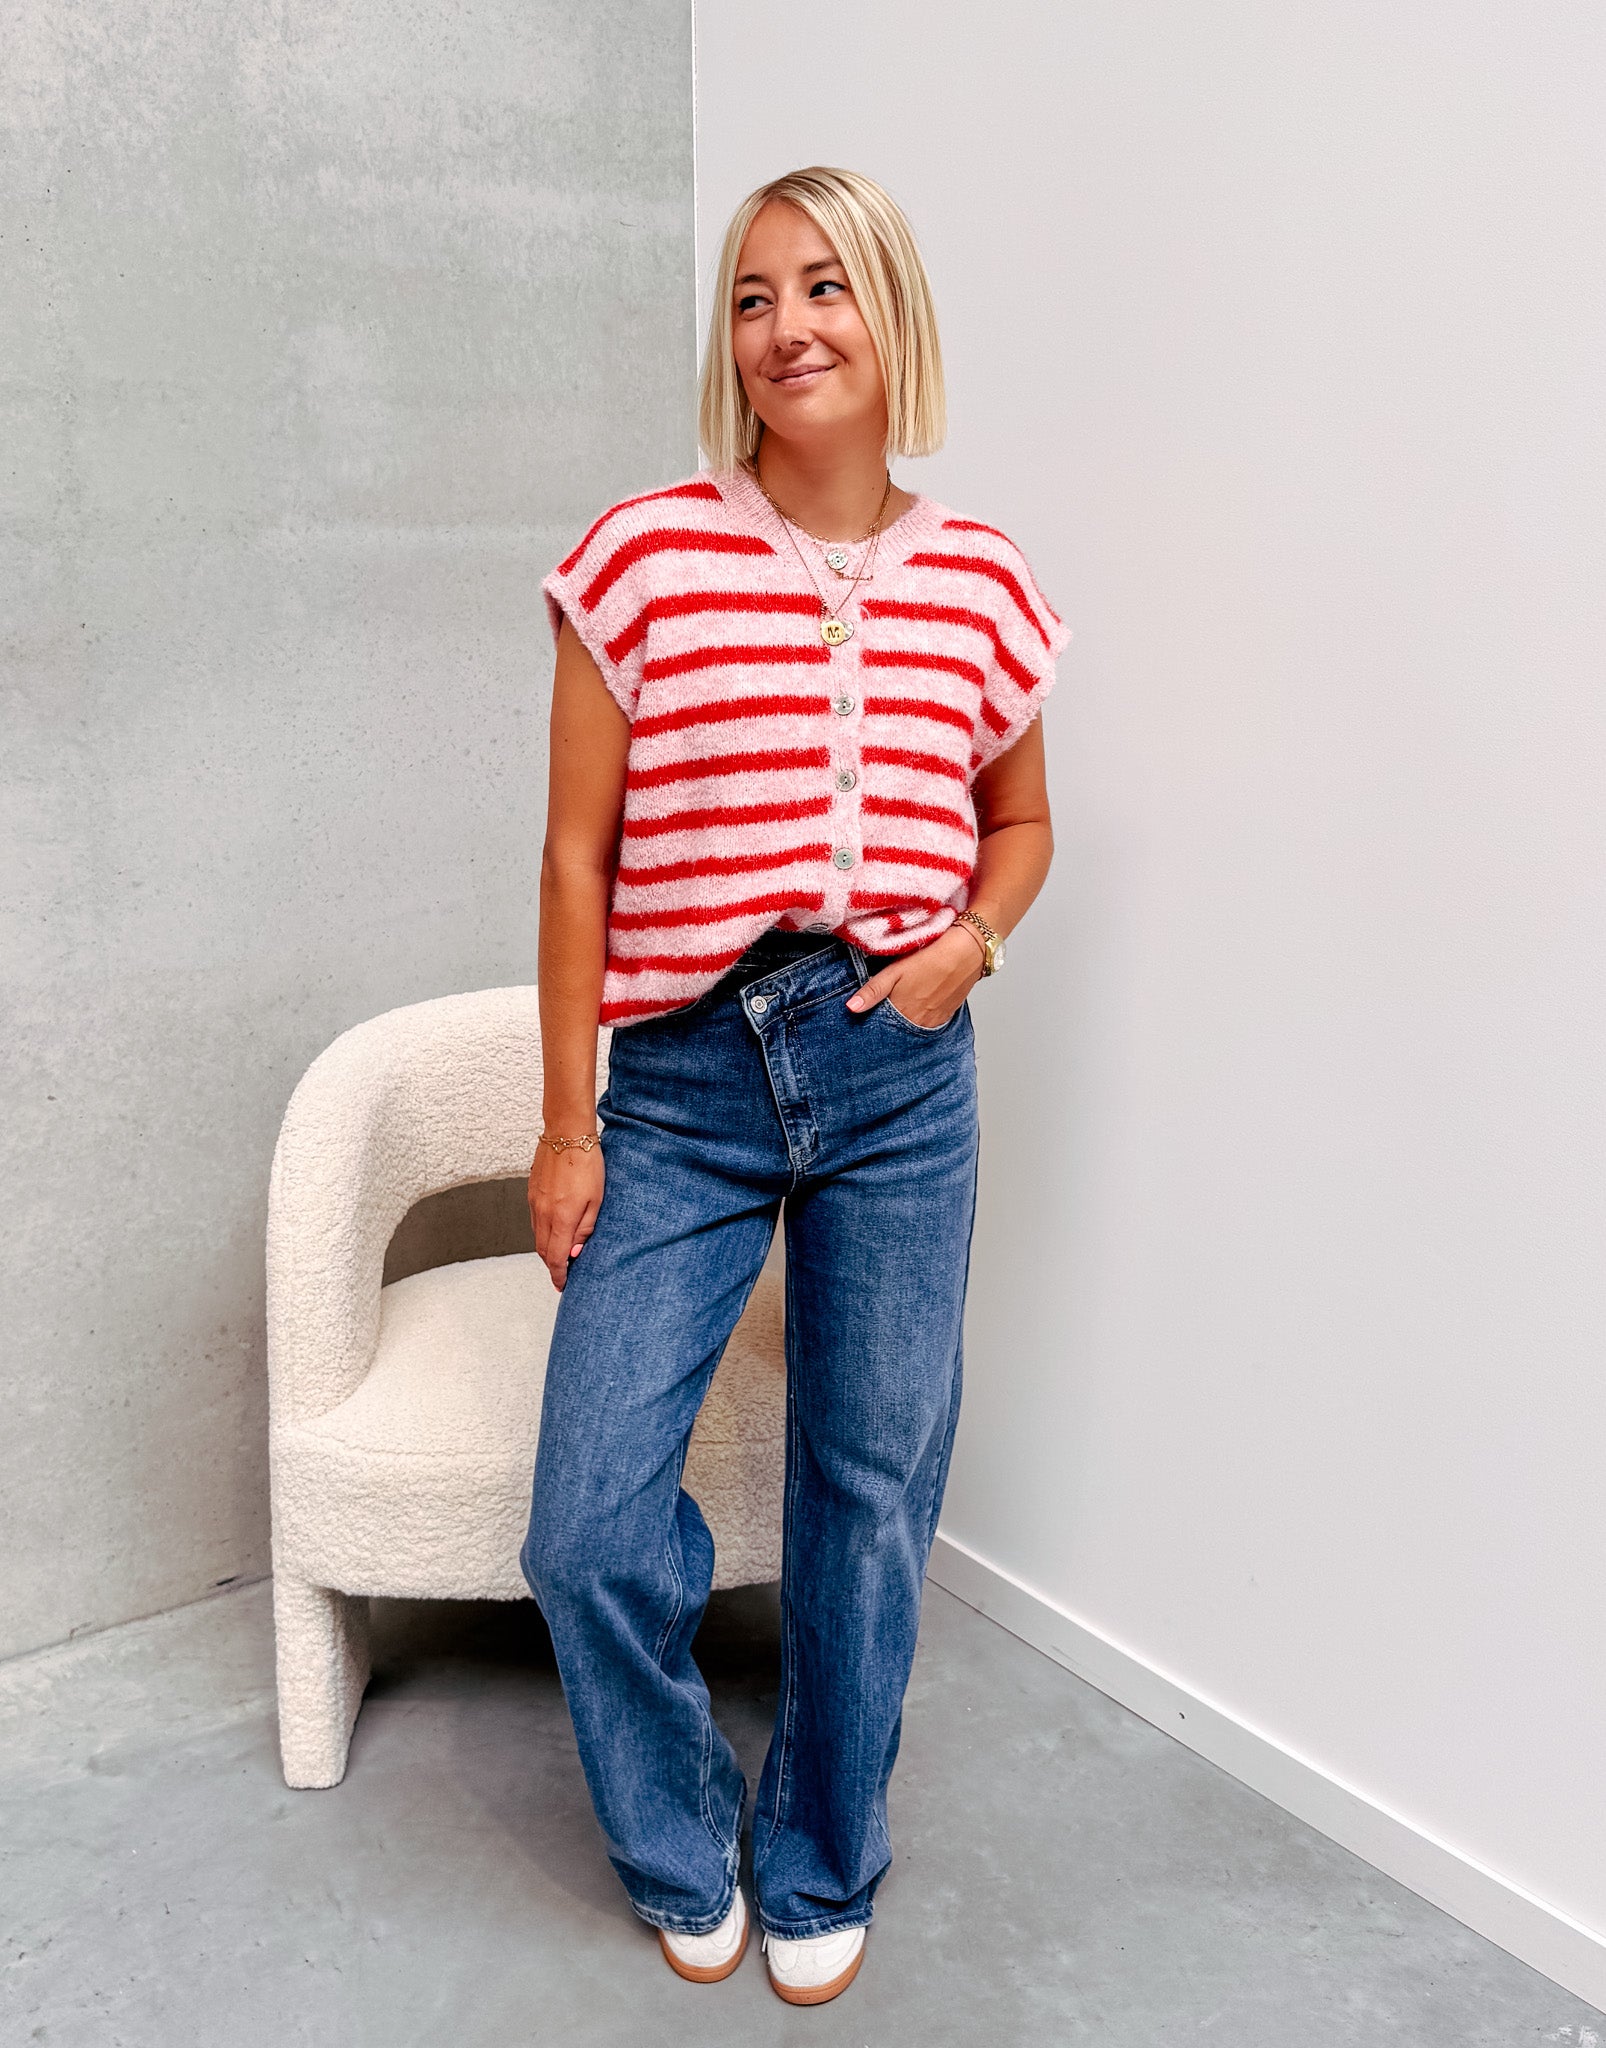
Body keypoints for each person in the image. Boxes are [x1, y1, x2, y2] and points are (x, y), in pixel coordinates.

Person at [519, 164, 1069, 2007]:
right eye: (751, 297)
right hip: (681, 1082)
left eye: (823, 287)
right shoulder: (643, 558)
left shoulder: (979, 579)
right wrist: (566, 1122)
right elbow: (575, 861)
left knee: (868, 1488)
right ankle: (682, 1833)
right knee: (586, 1524)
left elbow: (1023, 821)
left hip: (898, 1071)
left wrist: (965, 947)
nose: (784, 328)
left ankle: (825, 1851)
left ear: (888, 314)